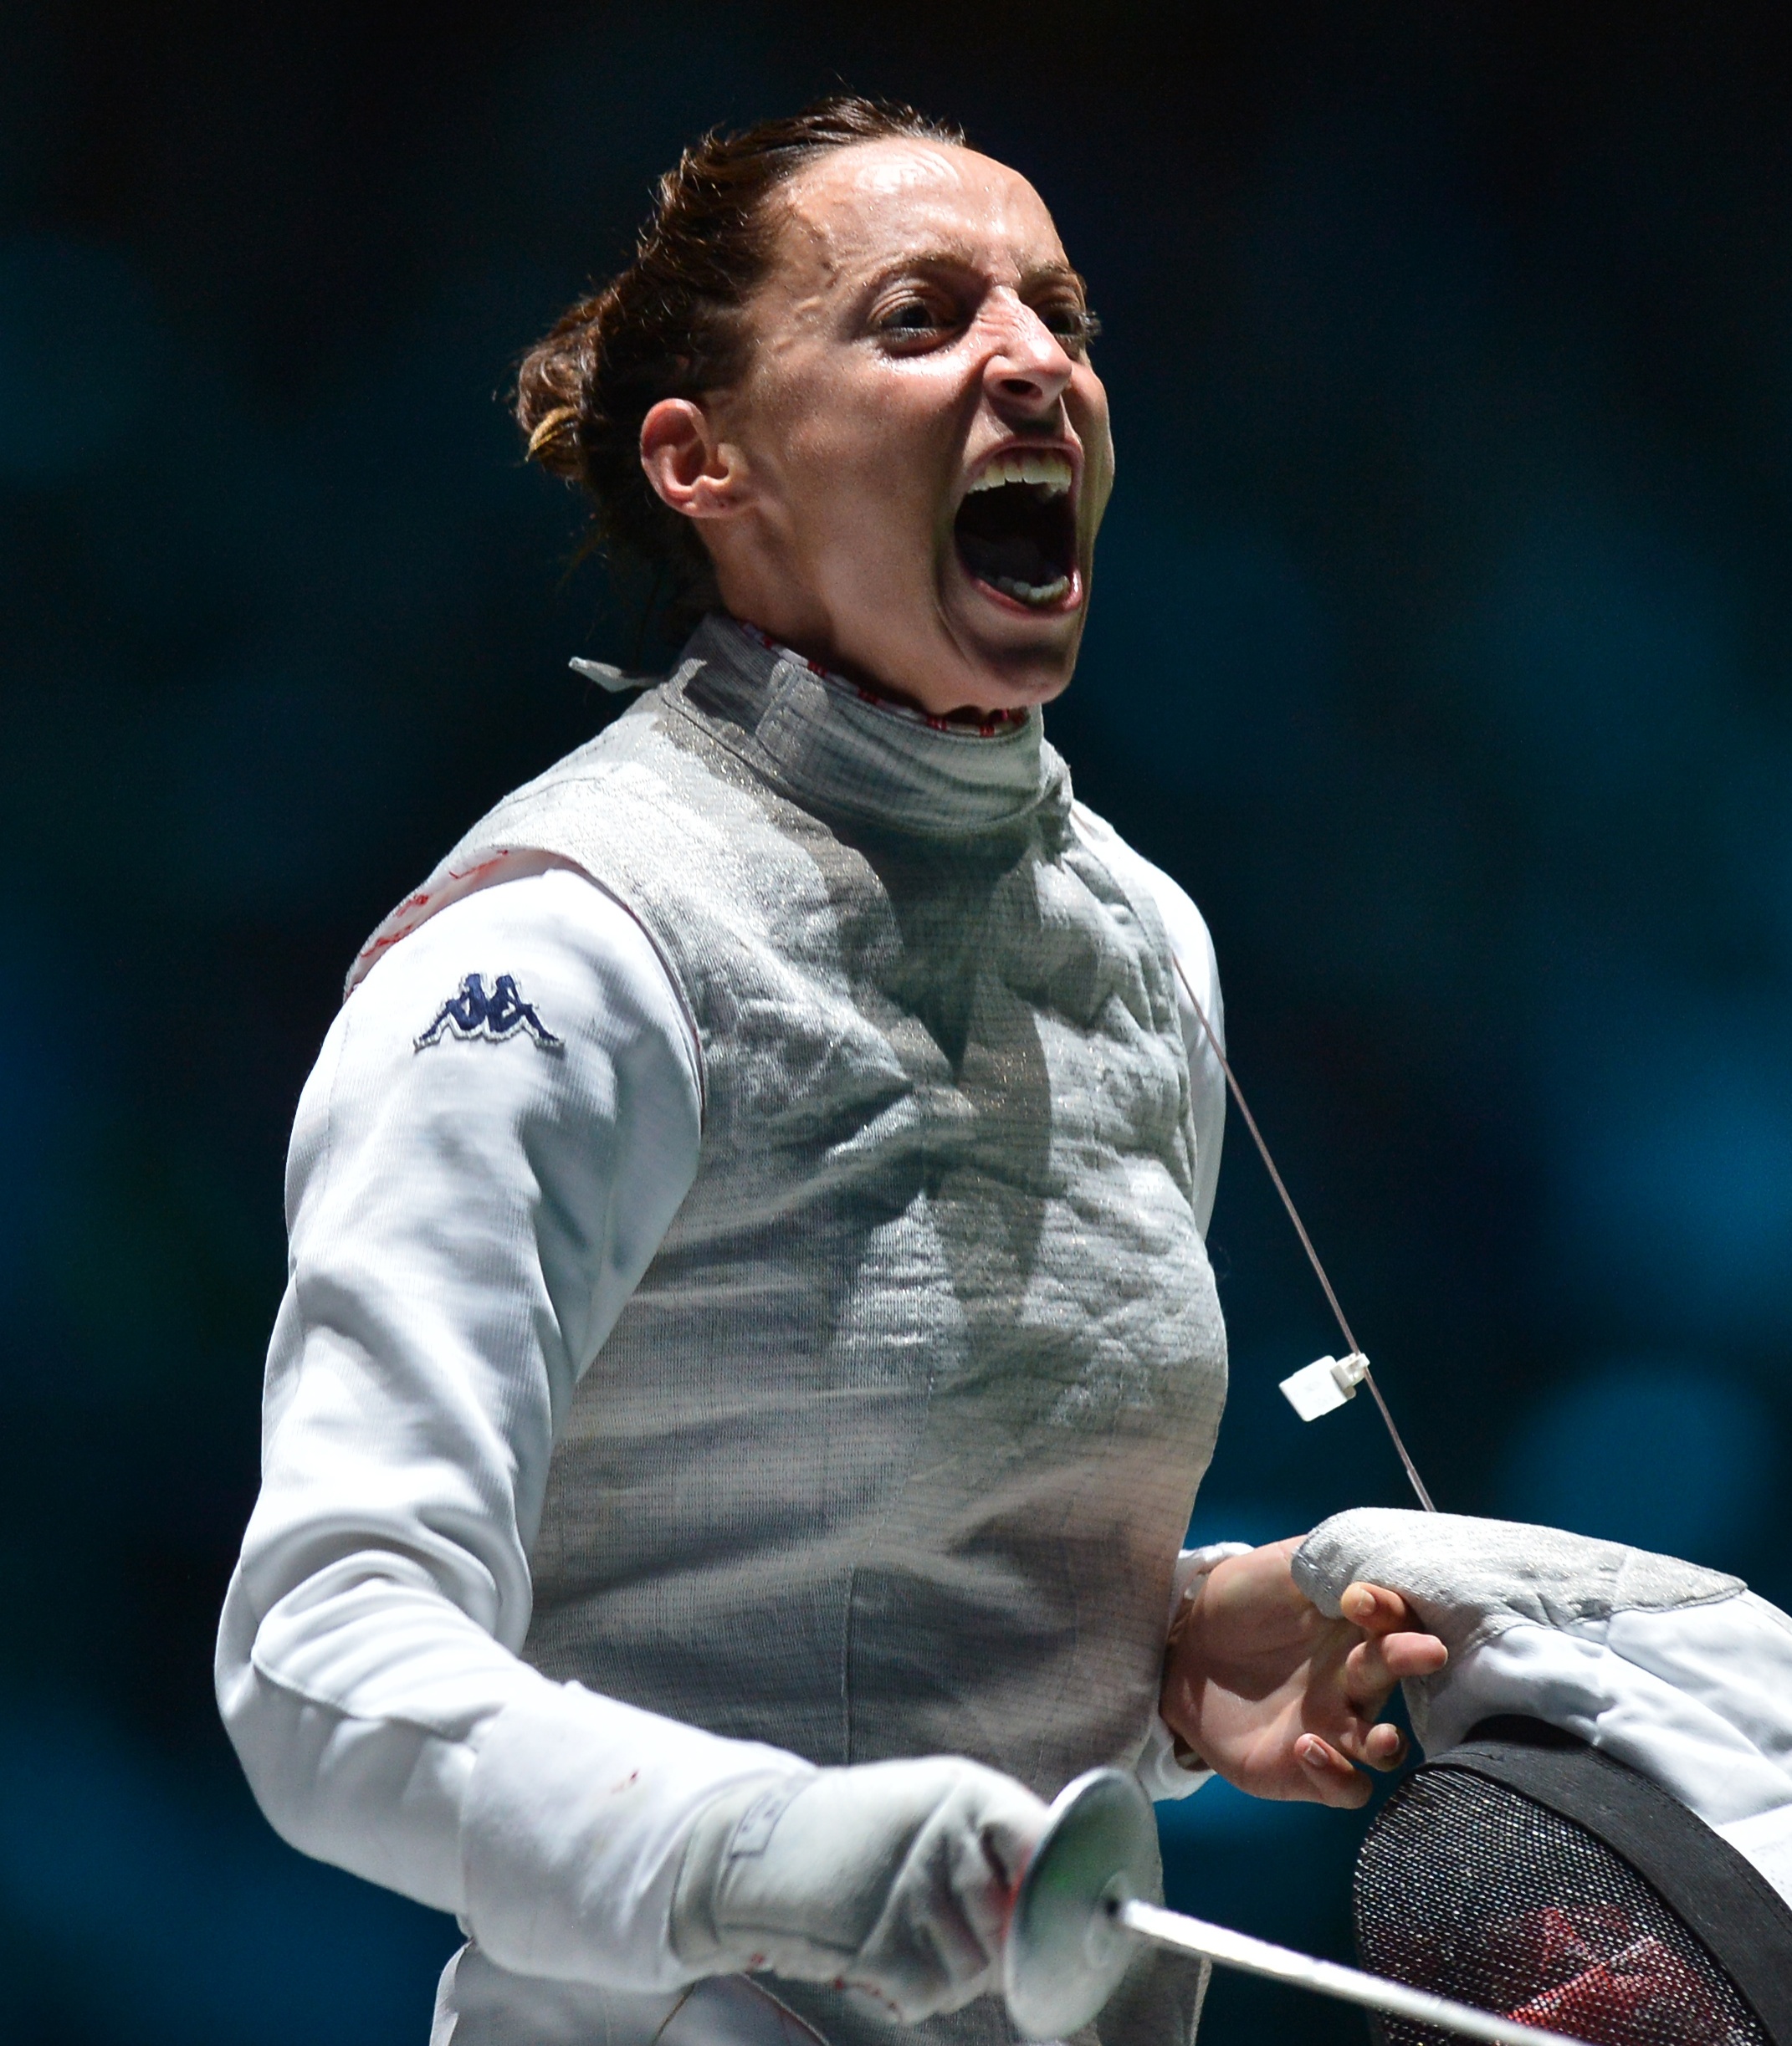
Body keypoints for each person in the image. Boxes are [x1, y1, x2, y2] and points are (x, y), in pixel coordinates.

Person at [212, 95, 1446, 2046]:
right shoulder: (564, 952)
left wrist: (1173, 1661)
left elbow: (891, 1580)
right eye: (920, 319)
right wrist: (760, 1843)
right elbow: (324, 1658)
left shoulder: (1142, 941)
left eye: (1060, 315)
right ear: (705, 463)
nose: (1034, 363)